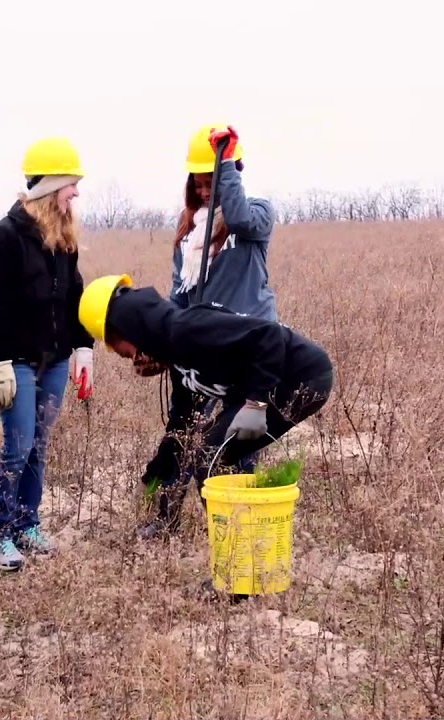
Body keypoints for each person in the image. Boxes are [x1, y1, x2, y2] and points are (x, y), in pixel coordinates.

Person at [79, 274, 334, 536]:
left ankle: (237, 550)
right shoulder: (177, 358)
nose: (119, 353)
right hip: (274, 383)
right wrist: (153, 473)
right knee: (199, 446)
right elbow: (182, 427)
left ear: (128, 328)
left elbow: (269, 336)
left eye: (113, 343)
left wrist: (256, 403)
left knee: (209, 453)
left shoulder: (188, 329)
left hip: (301, 378)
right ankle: (171, 524)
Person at [137, 123, 280, 539]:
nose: (204, 192)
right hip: (200, 348)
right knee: (180, 433)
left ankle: (236, 529)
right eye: (198, 184)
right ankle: (164, 519)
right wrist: (160, 339)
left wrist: (226, 165)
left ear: (233, 173)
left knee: (233, 443)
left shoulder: (255, 215)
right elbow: (178, 296)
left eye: (210, 182)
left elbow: (234, 214)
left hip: (246, 349)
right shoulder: (187, 233)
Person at [0, 136, 93, 572]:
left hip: (56, 359)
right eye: (71, 184)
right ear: (49, 186)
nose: (76, 193)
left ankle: (28, 524)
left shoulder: (65, 237)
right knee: (18, 444)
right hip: (19, 362)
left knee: (39, 446)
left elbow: (75, 297)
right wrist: (0, 361)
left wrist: (84, 346)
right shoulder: (6, 236)